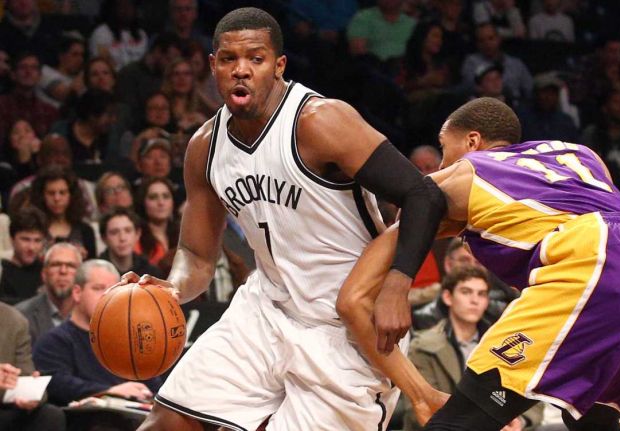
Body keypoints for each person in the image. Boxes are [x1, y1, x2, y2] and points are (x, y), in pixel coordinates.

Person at [120, 8, 446, 431]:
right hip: (264, 311)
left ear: (278, 67)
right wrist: (170, 289)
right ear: (212, 65)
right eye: (229, 59)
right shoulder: (205, 147)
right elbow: (197, 255)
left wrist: (398, 286)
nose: (241, 70)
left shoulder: (321, 121)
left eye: (255, 59)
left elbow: (422, 194)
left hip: (348, 330)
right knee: (166, 424)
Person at [336, 97, 620, 430]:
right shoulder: (578, 153)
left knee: (461, 421)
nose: (443, 163)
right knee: (589, 415)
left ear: (472, 141)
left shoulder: (462, 174)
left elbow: (356, 294)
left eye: (445, 148)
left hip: (597, 259)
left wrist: (398, 285)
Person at [403, 266, 543, 431]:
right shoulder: (423, 346)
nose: (474, 300)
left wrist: (520, 421)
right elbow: (418, 408)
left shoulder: (508, 343)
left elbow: (531, 392)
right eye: (466, 292)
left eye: (481, 294)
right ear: (448, 297)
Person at [33, 259, 163, 406]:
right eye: (98, 288)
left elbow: (154, 386)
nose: (107, 296)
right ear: (77, 292)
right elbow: (57, 383)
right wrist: (109, 391)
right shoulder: (53, 341)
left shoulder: (130, 341)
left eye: (114, 289)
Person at [0, 301, 66, 431]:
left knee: (50, 415)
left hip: (4, 407)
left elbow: (25, 374)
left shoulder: (14, 321)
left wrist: (30, 392)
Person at [14, 242, 81, 346]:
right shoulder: (20, 316)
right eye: (56, 265)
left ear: (81, 275)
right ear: (44, 274)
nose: (63, 271)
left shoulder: (93, 315)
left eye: (71, 265)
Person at [0, 206, 47, 302]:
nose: (31, 247)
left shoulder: (48, 272)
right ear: (12, 239)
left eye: (37, 241)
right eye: (25, 239)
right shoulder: (2, 272)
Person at [98, 207, 161, 277]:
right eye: (114, 232)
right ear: (104, 238)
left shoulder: (151, 272)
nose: (122, 238)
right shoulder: (95, 272)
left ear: (137, 234)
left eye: (128, 231)